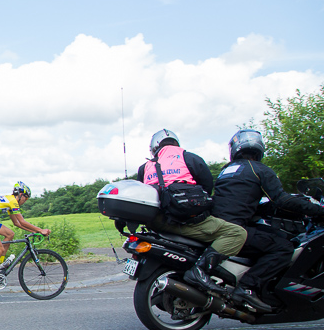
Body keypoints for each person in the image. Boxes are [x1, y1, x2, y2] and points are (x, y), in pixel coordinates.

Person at [211, 129, 324, 312]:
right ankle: (247, 286)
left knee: (272, 235)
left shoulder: (226, 171)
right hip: (235, 230)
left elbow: (241, 201)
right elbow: (282, 199)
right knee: (284, 247)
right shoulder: (259, 169)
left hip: (218, 226)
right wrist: (317, 210)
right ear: (259, 148)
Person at [136, 129, 247, 294]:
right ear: (176, 143)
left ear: (154, 147)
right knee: (236, 233)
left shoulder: (145, 167)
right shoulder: (189, 158)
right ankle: (200, 271)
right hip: (185, 219)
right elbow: (207, 187)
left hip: (156, 222)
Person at [0, 182, 50, 291]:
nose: (25, 201)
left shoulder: (10, 201)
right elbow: (22, 221)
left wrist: (36, 232)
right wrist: (41, 230)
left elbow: (18, 223)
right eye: (25, 198)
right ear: (20, 194)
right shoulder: (13, 201)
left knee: (10, 234)